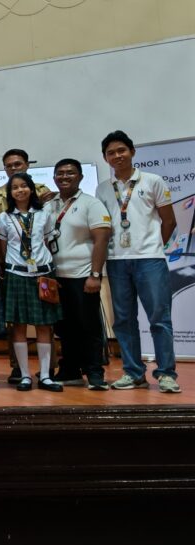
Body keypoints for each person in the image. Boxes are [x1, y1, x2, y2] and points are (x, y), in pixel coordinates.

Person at [96, 130, 180, 393]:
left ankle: (166, 374)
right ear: (105, 158)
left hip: (150, 260)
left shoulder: (153, 180)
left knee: (159, 319)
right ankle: (133, 373)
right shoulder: (103, 188)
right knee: (123, 320)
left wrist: (152, 247)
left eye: (121, 150)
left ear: (132, 151)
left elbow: (169, 221)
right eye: (111, 153)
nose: (117, 156)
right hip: (117, 261)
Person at [46, 159, 111, 390]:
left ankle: (94, 372)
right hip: (55, 277)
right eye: (60, 173)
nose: (64, 177)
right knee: (64, 327)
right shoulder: (49, 205)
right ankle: (70, 370)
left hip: (83, 275)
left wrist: (95, 274)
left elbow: (102, 239)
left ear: (80, 177)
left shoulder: (91, 204)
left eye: (70, 173)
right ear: (54, 177)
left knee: (88, 326)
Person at [0, 173, 62, 392]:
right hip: (16, 274)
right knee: (18, 326)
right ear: (10, 193)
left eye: (24, 186)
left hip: (43, 275)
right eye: (15, 187)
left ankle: (45, 376)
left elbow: (47, 241)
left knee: (44, 325)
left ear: (31, 189)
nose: (20, 190)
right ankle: (25, 375)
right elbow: (3, 248)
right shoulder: (4, 218)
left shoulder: (44, 214)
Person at [0, 148, 54, 216]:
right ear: (5, 169)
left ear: (27, 165)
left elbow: (52, 215)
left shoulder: (42, 190)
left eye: (17, 164)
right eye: (9, 166)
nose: (13, 168)